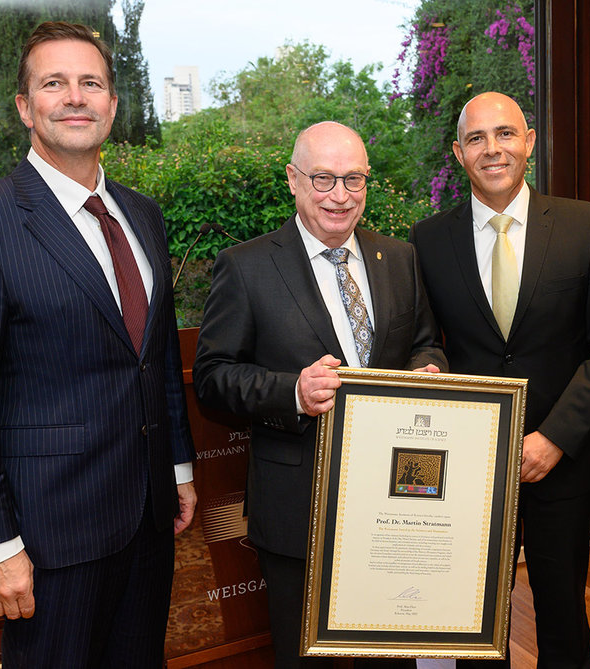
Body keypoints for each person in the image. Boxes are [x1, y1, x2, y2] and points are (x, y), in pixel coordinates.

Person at [0, 21, 196, 668]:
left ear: (111, 104)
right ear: (25, 106)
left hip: (149, 521)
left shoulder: (143, 215)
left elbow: (153, 358)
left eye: (91, 83)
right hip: (49, 542)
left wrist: (179, 466)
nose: (75, 97)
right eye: (54, 83)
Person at [192, 121, 447, 668]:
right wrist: (294, 393)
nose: (339, 196)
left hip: (397, 503)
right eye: (323, 178)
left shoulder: (398, 257)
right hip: (298, 507)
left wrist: (429, 370)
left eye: (353, 179)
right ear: (293, 179)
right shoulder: (247, 266)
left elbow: (425, 343)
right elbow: (213, 376)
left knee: (393, 651)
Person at [410, 91, 590, 668]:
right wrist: (426, 367)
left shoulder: (585, 225)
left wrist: (555, 437)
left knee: (562, 614)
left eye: (506, 134)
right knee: (475, 617)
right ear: (458, 153)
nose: (493, 149)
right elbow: (425, 338)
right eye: (478, 139)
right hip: (469, 468)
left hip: (565, 463)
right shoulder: (427, 241)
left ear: (529, 143)